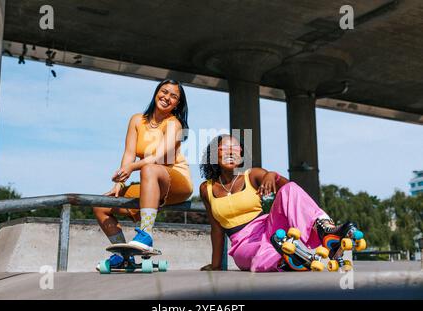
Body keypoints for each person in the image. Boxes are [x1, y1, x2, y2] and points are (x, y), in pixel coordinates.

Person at [199, 134, 362, 272]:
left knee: (290, 188)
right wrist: (216, 265)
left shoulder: (252, 175)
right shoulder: (207, 188)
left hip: (269, 228)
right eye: (224, 149)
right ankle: (295, 258)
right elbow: (217, 228)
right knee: (259, 254)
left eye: (235, 149)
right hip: (243, 243)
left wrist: (273, 175)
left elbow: (290, 192)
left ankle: (325, 229)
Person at [94, 79, 193, 269]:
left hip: (175, 182)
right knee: (100, 206)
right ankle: (122, 255)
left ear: (177, 103)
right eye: (164, 92)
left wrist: (132, 168)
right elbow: (129, 154)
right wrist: (120, 184)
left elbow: (158, 157)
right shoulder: (137, 120)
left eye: (174, 96)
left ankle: (145, 234)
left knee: (149, 168)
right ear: (157, 92)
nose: (167, 98)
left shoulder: (175, 124)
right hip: (149, 181)